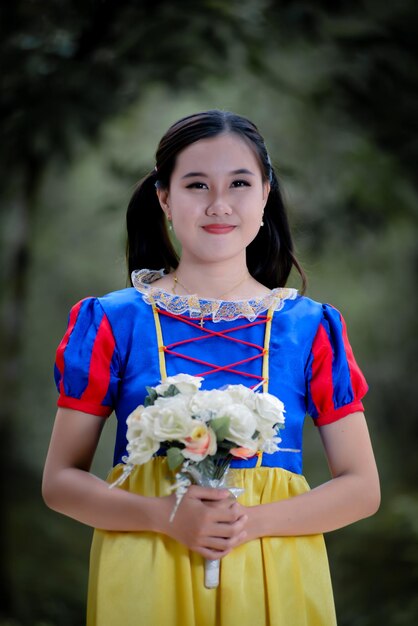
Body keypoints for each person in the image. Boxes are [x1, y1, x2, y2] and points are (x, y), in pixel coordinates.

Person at [42, 109, 380, 626]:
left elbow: (362, 488)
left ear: (265, 194)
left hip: (274, 572)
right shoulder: (113, 320)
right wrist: (165, 516)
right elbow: (60, 481)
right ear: (164, 198)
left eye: (240, 183)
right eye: (196, 184)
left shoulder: (312, 328)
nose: (219, 204)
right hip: (148, 564)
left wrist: (250, 523)